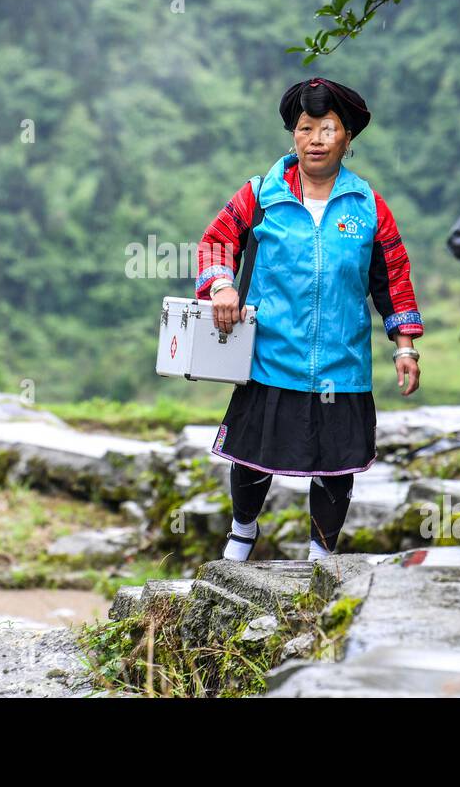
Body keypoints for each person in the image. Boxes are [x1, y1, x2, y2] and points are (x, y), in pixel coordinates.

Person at [194, 77, 423, 562]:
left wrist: (404, 346)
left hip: (341, 364)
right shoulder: (262, 194)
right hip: (271, 355)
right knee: (255, 456)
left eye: (327, 128)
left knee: (336, 465)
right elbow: (216, 241)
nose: (314, 139)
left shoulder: (369, 207)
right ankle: (242, 534)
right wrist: (222, 285)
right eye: (304, 128)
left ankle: (322, 555)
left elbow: (393, 277)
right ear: (293, 135)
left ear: (347, 138)